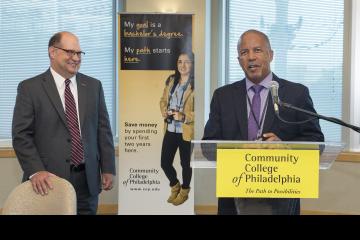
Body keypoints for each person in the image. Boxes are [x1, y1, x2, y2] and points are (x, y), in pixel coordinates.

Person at [202, 29, 324, 215]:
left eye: (257, 50)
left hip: (281, 198)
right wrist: (236, 151)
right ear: (239, 60)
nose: (251, 57)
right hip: (234, 198)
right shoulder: (223, 96)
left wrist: (285, 146)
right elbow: (207, 147)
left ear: (270, 55)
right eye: (244, 52)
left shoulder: (296, 94)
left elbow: (317, 143)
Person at [12, 31, 115, 215]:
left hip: (87, 180)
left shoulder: (93, 86)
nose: (75, 58)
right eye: (70, 52)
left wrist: (107, 168)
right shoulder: (30, 88)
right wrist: (36, 171)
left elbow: (103, 129)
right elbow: (21, 135)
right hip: (48, 180)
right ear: (52, 52)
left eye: (79, 53)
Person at [160, 51, 195, 206]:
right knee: (165, 163)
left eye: (187, 62)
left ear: (192, 64)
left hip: (186, 132)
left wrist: (183, 116)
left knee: (185, 164)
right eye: (180, 61)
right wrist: (164, 111)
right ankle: (175, 186)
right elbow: (162, 100)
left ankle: (185, 190)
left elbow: (200, 111)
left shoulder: (196, 85)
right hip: (171, 129)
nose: (183, 65)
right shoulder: (172, 81)